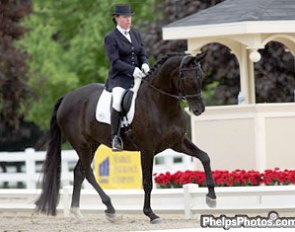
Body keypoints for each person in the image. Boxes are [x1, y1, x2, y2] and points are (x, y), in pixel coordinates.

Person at [104, 4, 150, 151]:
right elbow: (115, 62)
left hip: (138, 76)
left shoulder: (135, 34)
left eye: (129, 17)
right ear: (116, 18)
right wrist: (132, 70)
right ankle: (116, 138)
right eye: (124, 17)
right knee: (117, 101)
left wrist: (145, 64)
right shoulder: (111, 38)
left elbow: (141, 53)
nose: (128, 20)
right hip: (120, 79)